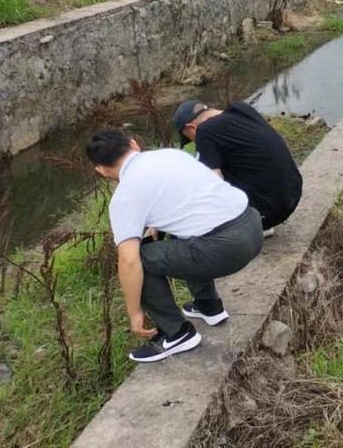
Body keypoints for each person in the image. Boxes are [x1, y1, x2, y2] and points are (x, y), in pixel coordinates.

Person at [85, 128, 263, 362]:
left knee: (143, 257)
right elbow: (188, 199)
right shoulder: (171, 155)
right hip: (252, 225)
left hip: (227, 248)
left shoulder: (125, 195)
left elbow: (128, 262)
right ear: (134, 143)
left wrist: (135, 312)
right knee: (182, 231)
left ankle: (176, 333)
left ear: (102, 170)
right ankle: (208, 306)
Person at [171, 99, 303, 234]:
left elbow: (210, 185)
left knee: (209, 187)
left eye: (190, 138)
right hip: (293, 194)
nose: (195, 142)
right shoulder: (241, 109)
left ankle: (252, 225)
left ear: (191, 128)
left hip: (267, 212)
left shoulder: (205, 131)